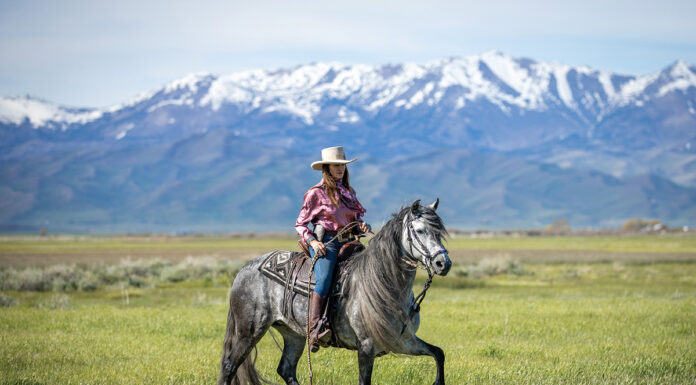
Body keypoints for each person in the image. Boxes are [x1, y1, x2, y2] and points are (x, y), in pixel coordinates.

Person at [295, 146, 370, 352]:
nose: (340, 169)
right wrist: (313, 242)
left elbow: (355, 220)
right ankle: (315, 328)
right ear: (326, 168)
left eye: (342, 166)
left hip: (349, 243)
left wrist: (361, 226)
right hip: (326, 243)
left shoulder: (349, 192)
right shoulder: (315, 194)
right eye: (336, 166)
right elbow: (300, 224)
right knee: (325, 279)